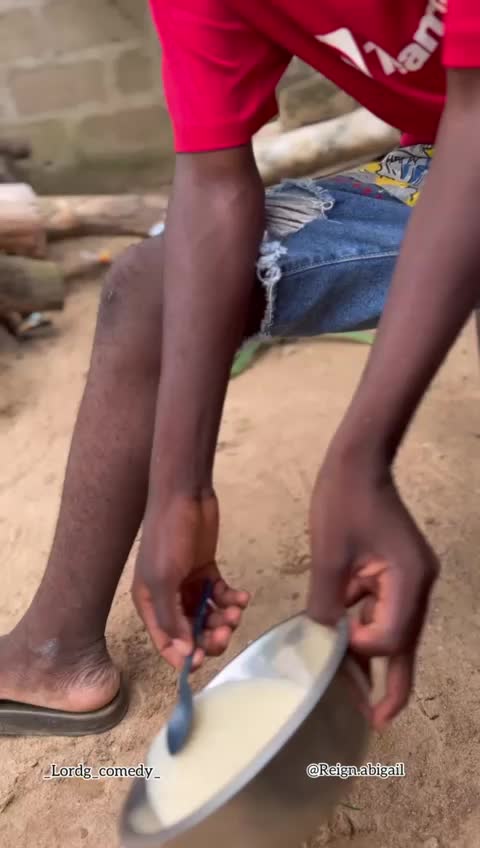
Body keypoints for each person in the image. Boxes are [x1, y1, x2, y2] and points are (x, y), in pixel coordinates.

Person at [0, 0, 478, 736]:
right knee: (155, 285)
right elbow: (214, 180)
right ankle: (52, 652)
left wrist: (359, 461)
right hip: (451, 152)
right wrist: (180, 490)